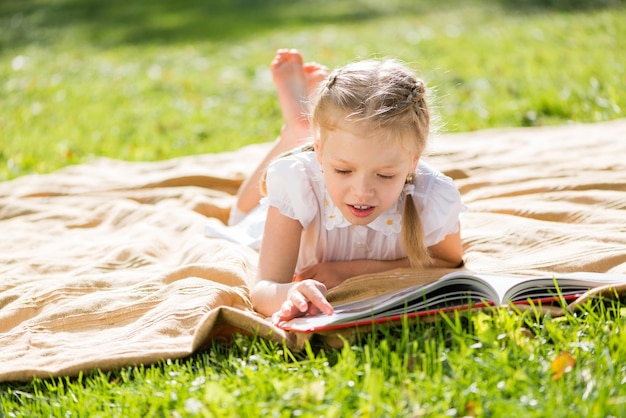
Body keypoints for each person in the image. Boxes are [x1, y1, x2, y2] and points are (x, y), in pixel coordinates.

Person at [228, 49, 465, 324]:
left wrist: (351, 271)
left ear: (414, 160)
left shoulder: (432, 196)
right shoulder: (298, 184)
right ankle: (297, 133)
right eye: (343, 170)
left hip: (325, 152)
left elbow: (449, 262)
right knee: (240, 215)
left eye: (385, 175)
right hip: (271, 216)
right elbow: (264, 288)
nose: (362, 191)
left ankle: (306, 132)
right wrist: (291, 292)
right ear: (320, 155)